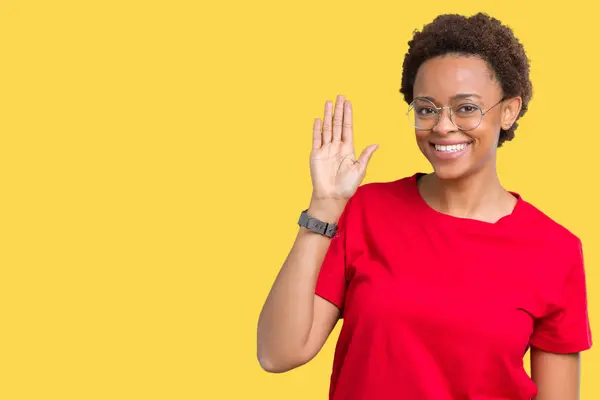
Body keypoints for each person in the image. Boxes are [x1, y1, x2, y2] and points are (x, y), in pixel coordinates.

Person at [256, 12, 592, 400]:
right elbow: (278, 353)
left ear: (509, 110)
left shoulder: (555, 250)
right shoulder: (365, 210)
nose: (442, 126)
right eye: (427, 108)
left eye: (466, 108)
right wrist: (324, 206)